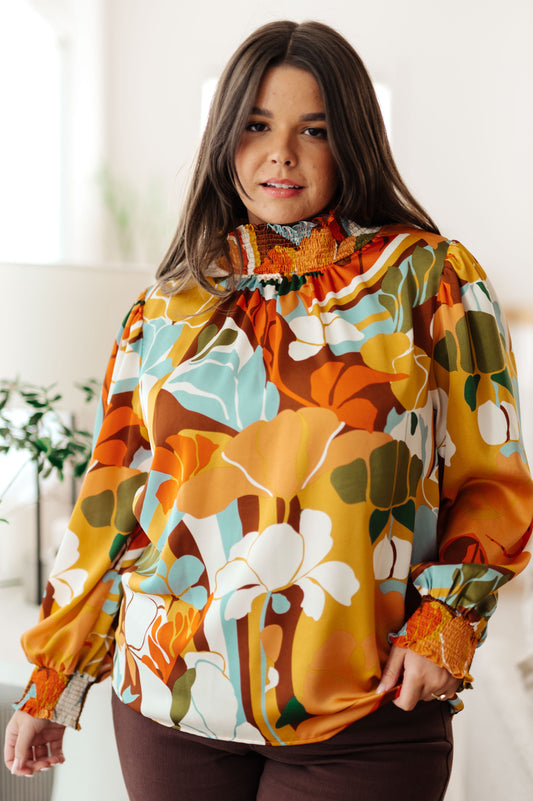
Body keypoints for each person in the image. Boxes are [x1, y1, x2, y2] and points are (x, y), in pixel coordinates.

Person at [4, 19, 533, 801]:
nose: (279, 152)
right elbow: (114, 493)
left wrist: (441, 626)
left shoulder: (430, 278)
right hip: (167, 701)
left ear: (348, 139)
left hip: (364, 706)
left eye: (311, 129)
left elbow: (493, 477)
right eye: (255, 125)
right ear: (224, 139)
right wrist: (54, 675)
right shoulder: (167, 303)